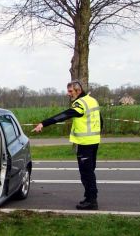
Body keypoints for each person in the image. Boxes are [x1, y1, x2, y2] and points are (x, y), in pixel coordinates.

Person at [32, 80, 101, 210]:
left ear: (78, 91)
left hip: (85, 143)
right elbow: (100, 120)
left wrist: (43, 123)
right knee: (89, 171)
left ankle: (92, 201)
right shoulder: (92, 100)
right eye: (68, 91)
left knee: (86, 173)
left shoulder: (80, 103)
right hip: (94, 141)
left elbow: (64, 115)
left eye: (70, 91)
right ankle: (89, 198)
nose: (68, 94)